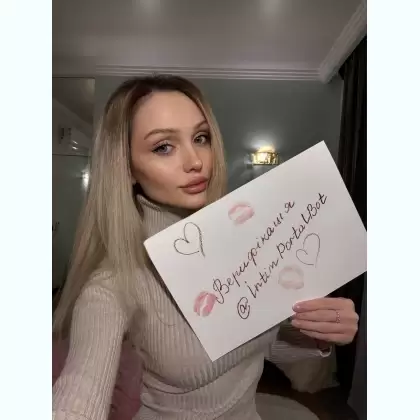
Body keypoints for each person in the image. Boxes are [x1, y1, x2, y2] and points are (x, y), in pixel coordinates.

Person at [52, 75, 359, 420]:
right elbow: (80, 391)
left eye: (201, 138)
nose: (195, 161)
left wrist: (319, 333)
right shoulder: (111, 282)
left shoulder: (242, 240)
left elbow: (260, 340)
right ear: (127, 168)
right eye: (163, 147)